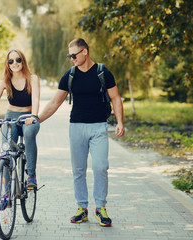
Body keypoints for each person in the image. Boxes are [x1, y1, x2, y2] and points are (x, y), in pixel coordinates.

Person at [38, 38, 125, 227]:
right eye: (69, 55)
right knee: (78, 170)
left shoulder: (103, 72)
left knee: (101, 166)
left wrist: (120, 122)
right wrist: (37, 119)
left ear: (85, 52)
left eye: (74, 55)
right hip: (76, 127)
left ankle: (100, 208)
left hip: (99, 127)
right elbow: (54, 102)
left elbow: (116, 98)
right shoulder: (69, 76)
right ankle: (82, 208)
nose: (71, 58)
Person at [0, 49, 40, 187]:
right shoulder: (4, 81)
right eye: (11, 61)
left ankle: (31, 175)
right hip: (11, 117)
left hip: (28, 116)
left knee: (29, 133)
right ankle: (7, 192)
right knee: (7, 152)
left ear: (23, 61)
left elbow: (36, 99)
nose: (15, 63)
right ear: (7, 64)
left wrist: (33, 116)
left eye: (18, 59)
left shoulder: (32, 79)